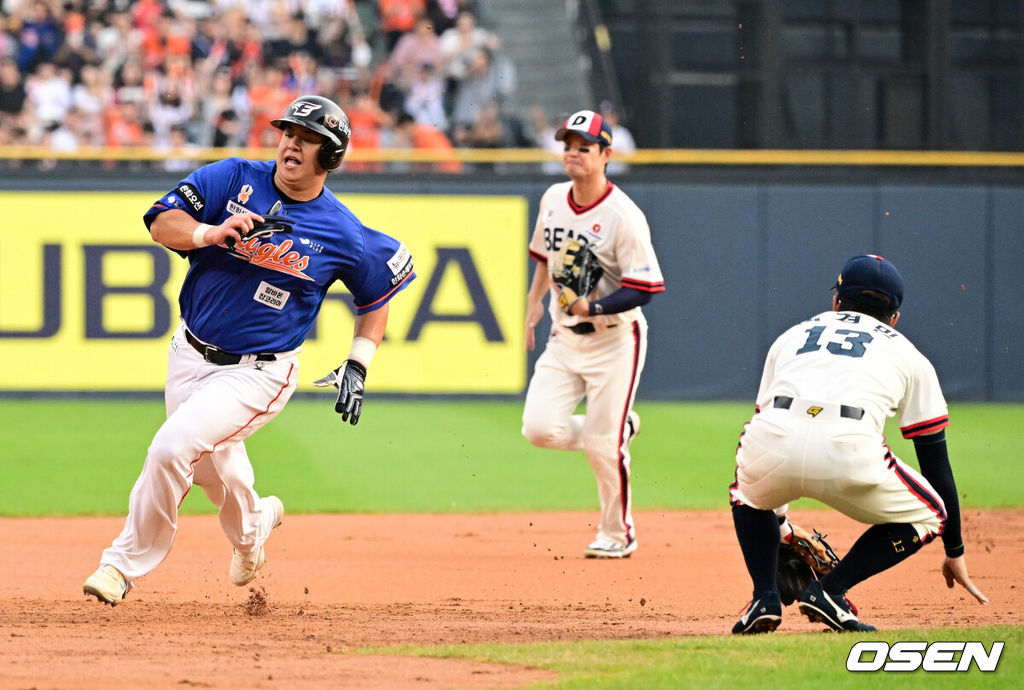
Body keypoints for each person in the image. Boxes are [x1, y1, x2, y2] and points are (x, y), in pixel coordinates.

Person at [82, 94, 416, 605]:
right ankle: (254, 527)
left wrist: (358, 363)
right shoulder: (232, 176)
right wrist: (208, 233)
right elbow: (159, 220)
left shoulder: (343, 232)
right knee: (215, 475)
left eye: (308, 139)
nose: (292, 144)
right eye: (288, 133)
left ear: (331, 157)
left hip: (259, 372)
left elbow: (376, 296)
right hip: (189, 352)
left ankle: (120, 565)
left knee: (174, 447)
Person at [729, 254, 988, 634]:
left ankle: (763, 597)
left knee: (748, 493)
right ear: (894, 318)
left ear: (835, 301)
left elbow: (777, 426)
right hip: (848, 449)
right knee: (931, 512)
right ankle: (831, 591)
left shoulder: (791, 335)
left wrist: (780, 526)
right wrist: (955, 551)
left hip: (773, 437)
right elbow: (935, 465)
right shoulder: (909, 354)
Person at [521, 109, 665, 559]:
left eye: (584, 147)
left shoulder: (624, 216)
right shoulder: (552, 198)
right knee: (539, 429)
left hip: (615, 340)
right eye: (568, 146)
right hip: (565, 337)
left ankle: (618, 534)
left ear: (606, 154)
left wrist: (595, 305)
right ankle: (620, 428)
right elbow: (544, 257)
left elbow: (645, 287)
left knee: (603, 446)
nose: (573, 154)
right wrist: (532, 306)